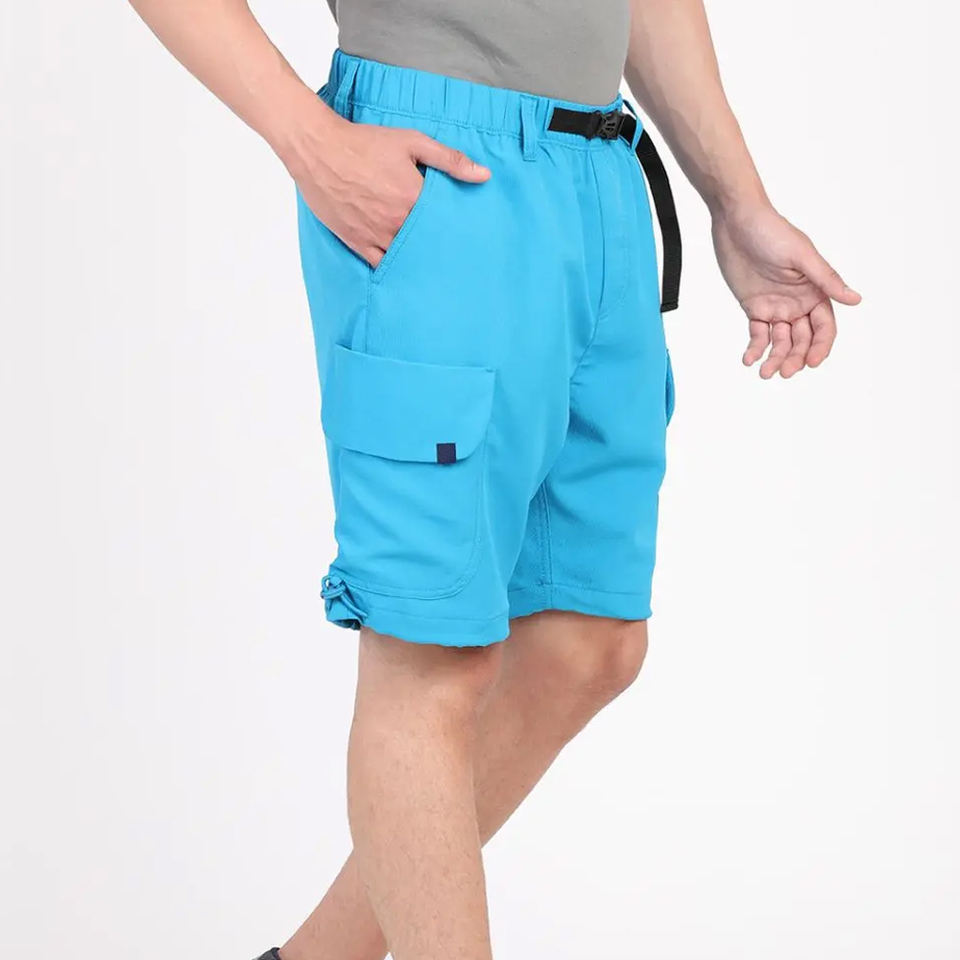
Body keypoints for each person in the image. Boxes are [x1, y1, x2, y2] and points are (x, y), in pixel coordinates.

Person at [128, 1, 861, 958]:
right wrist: (308, 139)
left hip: (601, 175)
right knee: (431, 656)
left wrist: (737, 200)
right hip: (439, 164)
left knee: (588, 640)